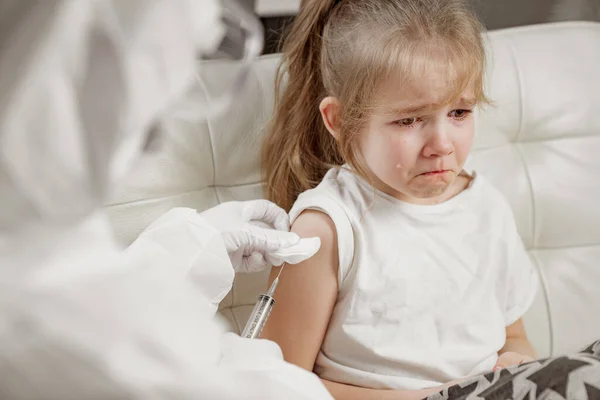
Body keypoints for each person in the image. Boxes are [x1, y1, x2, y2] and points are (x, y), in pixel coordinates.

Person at [261, 0, 600, 399]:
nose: (441, 145)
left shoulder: (485, 206)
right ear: (339, 119)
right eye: (409, 120)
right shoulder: (329, 228)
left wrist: (515, 364)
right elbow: (277, 384)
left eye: (459, 112)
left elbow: (515, 339)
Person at [0, 0, 334, 398]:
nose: (155, 141)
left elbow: (95, 289)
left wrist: (197, 244)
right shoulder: (44, 332)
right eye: (142, 114)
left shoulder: (39, 226)